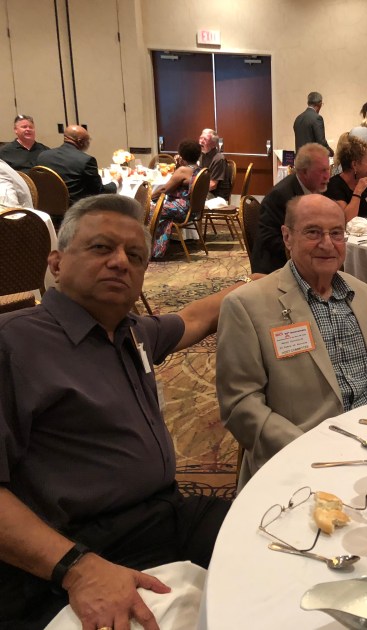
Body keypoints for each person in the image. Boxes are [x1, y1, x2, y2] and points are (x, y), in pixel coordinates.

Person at [0, 194, 254, 629]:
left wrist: (256, 283)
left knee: (279, 542)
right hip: (71, 549)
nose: (120, 262)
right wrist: (76, 568)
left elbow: (194, 318)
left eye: (135, 256)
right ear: (56, 263)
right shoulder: (14, 344)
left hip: (163, 514)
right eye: (101, 248)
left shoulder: (130, 332)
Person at [216, 195, 367, 487]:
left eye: (336, 233)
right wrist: (306, 449)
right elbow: (240, 405)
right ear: (287, 237)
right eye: (313, 232)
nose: (327, 244)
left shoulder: (362, 293)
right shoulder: (246, 305)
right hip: (301, 459)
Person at [251, 143, 330, 274]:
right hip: (277, 266)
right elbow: (269, 238)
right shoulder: (280, 196)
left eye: (328, 169)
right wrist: (307, 250)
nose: (327, 176)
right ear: (304, 172)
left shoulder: (317, 188)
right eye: (322, 171)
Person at [36, 125, 121, 208]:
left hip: (46, 207)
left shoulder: (43, 156)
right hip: (75, 210)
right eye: (88, 140)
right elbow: (99, 192)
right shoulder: (85, 160)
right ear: (80, 142)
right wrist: (115, 182)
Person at [151, 140, 201, 258]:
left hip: (180, 209)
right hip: (192, 209)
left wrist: (148, 198)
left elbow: (164, 190)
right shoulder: (199, 169)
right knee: (158, 210)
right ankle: (157, 247)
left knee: (146, 210)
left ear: (182, 155)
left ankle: (152, 248)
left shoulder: (183, 170)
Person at [324, 134, 367, 222]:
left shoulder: (364, 184)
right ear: (354, 164)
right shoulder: (334, 185)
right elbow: (346, 219)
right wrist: (358, 191)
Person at [293, 91, 333, 156]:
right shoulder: (317, 118)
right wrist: (331, 153)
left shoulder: (298, 118)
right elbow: (321, 142)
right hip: (312, 159)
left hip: (299, 159)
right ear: (319, 104)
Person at [198, 128, 231, 201]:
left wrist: (194, 189)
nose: (201, 142)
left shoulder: (218, 159)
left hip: (216, 196)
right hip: (205, 190)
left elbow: (212, 185)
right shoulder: (201, 155)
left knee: (190, 198)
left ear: (213, 144)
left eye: (205, 139)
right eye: (200, 138)